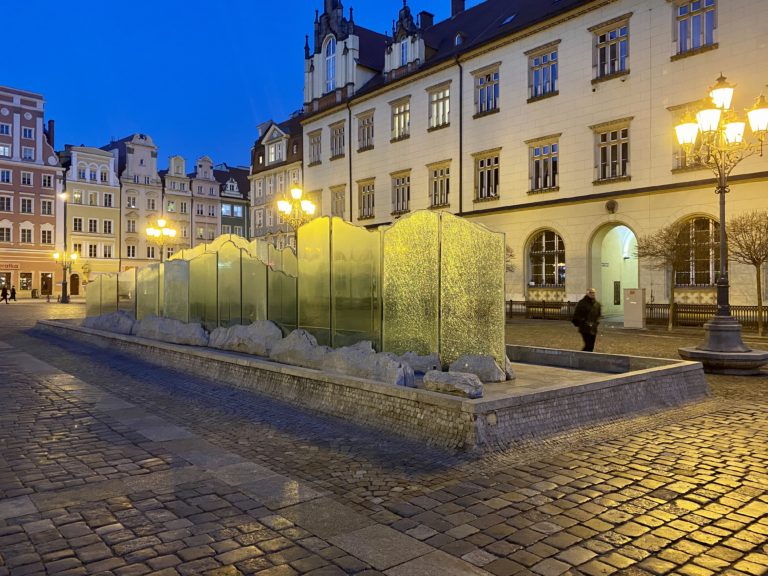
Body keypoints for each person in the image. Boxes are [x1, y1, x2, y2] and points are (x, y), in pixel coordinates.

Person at [572, 288, 601, 352]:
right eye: (591, 292)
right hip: (585, 328)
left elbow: (598, 315)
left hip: (593, 328)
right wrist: (583, 322)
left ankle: (588, 358)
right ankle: (582, 357)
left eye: (593, 292)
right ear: (587, 293)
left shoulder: (597, 304)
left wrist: (596, 323)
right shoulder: (582, 303)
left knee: (591, 346)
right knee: (588, 345)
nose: (592, 294)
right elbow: (576, 315)